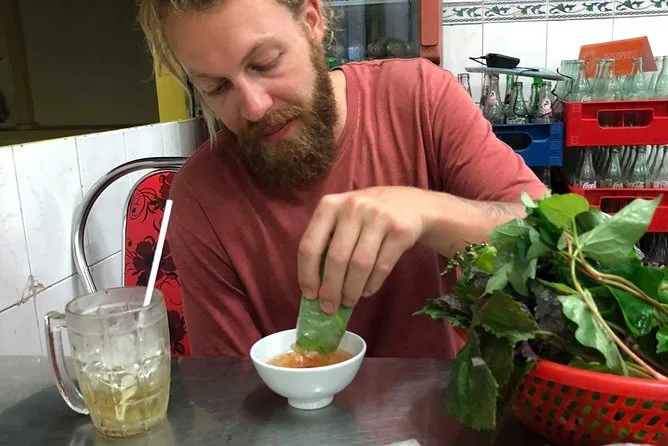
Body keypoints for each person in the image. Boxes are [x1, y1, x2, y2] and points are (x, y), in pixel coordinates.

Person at [138, 0, 547, 358]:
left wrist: (428, 212)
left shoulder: (421, 97)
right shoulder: (201, 197)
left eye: (265, 63)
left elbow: (554, 240)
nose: (254, 107)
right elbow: (229, 392)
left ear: (312, 21)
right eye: (216, 87)